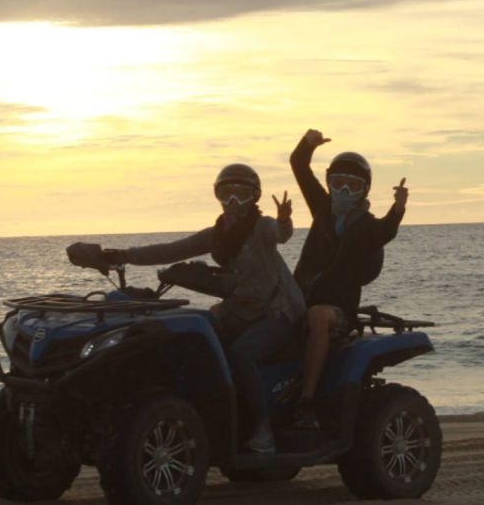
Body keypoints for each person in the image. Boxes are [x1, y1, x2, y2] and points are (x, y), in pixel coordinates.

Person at [67, 163, 306, 454]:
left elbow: (280, 234)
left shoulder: (262, 227)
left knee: (242, 354)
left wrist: (284, 220)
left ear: (254, 197)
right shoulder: (217, 233)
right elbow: (171, 250)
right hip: (242, 308)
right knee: (196, 339)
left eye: (241, 193)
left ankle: (263, 431)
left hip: (277, 310)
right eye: (226, 192)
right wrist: (122, 255)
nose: (233, 201)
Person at [290, 129, 409, 428]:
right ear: (329, 184)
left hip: (339, 310)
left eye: (352, 186)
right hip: (298, 298)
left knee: (318, 316)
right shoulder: (321, 209)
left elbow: (386, 232)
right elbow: (299, 166)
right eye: (337, 183)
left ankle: (307, 401)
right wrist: (307, 145)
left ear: (364, 191)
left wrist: (397, 208)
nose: (343, 191)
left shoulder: (367, 227)